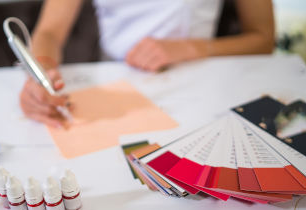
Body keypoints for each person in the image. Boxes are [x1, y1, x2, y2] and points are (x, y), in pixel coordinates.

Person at [20, 0, 274, 127]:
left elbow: (263, 39)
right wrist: (40, 73)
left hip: (202, 82)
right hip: (116, 85)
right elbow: (49, 32)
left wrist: (189, 48)